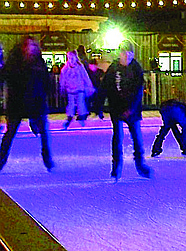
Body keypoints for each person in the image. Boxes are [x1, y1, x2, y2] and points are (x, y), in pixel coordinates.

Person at [0, 36, 54, 172]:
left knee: (44, 132)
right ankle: (1, 159)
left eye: (33, 46)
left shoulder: (38, 62)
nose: (30, 49)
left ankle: (47, 157)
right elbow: (4, 76)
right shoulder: (14, 61)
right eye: (28, 46)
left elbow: (46, 80)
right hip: (17, 103)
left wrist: (47, 91)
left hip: (36, 102)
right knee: (10, 133)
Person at [99, 41, 151, 179]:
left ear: (133, 54)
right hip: (116, 108)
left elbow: (139, 91)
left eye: (129, 53)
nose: (126, 55)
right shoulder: (113, 68)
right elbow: (105, 87)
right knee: (117, 137)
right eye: (124, 53)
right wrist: (99, 106)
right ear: (120, 54)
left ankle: (140, 165)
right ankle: (116, 167)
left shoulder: (136, 69)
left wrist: (131, 108)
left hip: (132, 110)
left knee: (137, 138)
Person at [59, 50, 94, 129]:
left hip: (79, 89)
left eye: (72, 58)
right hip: (70, 90)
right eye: (69, 58)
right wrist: (62, 87)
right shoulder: (65, 69)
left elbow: (85, 77)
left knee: (80, 103)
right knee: (71, 104)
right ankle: (70, 116)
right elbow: (62, 79)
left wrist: (89, 86)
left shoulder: (80, 67)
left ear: (76, 58)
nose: (71, 59)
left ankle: (82, 116)